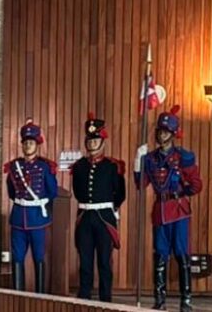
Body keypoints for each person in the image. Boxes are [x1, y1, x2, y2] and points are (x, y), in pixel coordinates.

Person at [135, 105, 202, 312]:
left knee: (182, 255)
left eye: (165, 131)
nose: (161, 134)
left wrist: (182, 191)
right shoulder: (151, 158)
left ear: (173, 134)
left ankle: (186, 299)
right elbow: (141, 184)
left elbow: (197, 184)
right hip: (159, 211)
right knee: (160, 255)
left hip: (178, 210)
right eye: (159, 131)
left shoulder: (183, 157)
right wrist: (139, 161)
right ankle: (160, 299)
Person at [70, 113, 126, 302]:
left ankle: (105, 299)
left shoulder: (113, 166)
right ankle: (84, 296)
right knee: (85, 260)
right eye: (90, 140)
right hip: (85, 216)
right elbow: (77, 191)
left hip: (104, 217)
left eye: (96, 140)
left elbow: (120, 193)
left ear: (103, 141)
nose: (92, 143)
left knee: (104, 261)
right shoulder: (78, 166)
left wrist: (112, 207)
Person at [4, 119, 58, 293]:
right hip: (19, 218)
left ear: (37, 144)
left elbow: (52, 191)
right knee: (17, 258)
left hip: (37, 219)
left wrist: (39, 204)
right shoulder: (14, 167)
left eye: (31, 142)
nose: (28, 145)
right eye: (25, 142)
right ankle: (18, 296)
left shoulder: (44, 167)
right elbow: (11, 191)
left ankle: (40, 296)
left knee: (38, 257)